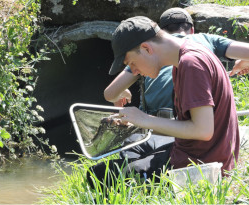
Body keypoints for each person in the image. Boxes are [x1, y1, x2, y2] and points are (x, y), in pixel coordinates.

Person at [87, 15, 240, 189]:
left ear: (146, 48)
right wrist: (138, 124)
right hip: (199, 153)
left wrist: (145, 119)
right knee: (134, 148)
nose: (134, 71)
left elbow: (203, 130)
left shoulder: (191, 64)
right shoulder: (185, 57)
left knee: (97, 174)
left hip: (200, 167)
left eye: (132, 63)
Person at [105, 7, 249, 115]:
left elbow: (110, 94)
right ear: (192, 30)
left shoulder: (150, 54)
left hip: (162, 124)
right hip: (199, 123)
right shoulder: (205, 39)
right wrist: (245, 61)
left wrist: (122, 92)